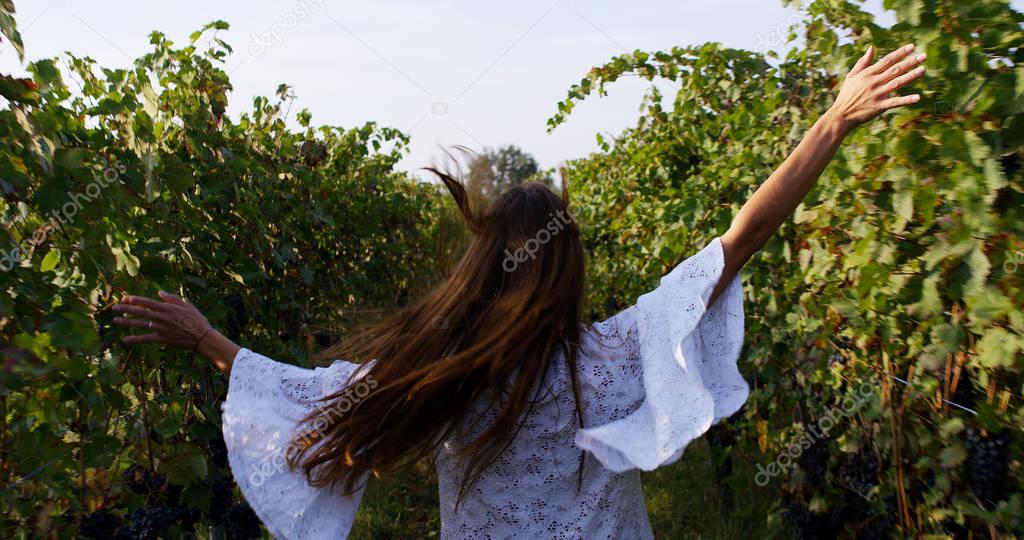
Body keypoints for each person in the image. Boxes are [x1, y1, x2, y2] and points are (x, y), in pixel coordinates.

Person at [113, 44, 927, 539]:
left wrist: (210, 340)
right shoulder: (620, 352)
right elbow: (740, 238)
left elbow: (310, 401)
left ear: (480, 271)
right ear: (571, 271)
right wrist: (833, 122)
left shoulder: (438, 372)